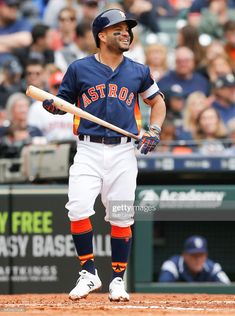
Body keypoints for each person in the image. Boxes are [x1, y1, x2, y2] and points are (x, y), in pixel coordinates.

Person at [41, 8, 166, 301]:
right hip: (88, 148)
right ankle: (89, 272)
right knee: (78, 207)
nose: (125, 33)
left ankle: (117, 279)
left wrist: (155, 130)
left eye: (127, 29)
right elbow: (63, 102)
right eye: (117, 29)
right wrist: (54, 105)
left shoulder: (138, 70)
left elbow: (157, 103)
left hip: (124, 150)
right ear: (101, 35)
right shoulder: (79, 68)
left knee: (121, 216)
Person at [158, 235, 231, 283]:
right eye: (194, 255)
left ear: (206, 255)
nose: (198, 259)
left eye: (201, 255)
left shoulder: (213, 267)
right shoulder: (172, 265)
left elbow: (228, 287)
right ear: (184, 255)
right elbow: (162, 287)